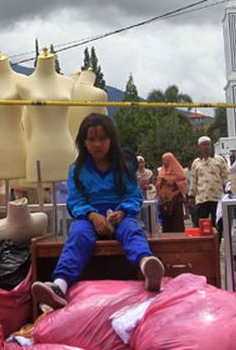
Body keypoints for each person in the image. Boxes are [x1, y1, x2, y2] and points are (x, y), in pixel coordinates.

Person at [31, 113, 165, 310]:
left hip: (119, 216)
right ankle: (60, 285)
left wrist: (122, 212)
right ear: (83, 142)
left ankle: (147, 265)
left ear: (111, 139)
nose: (97, 144)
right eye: (91, 139)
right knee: (78, 235)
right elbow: (75, 200)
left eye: (103, 138)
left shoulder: (124, 167)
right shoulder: (76, 170)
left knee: (132, 230)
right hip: (87, 218)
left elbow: (133, 196)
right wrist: (93, 216)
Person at [189, 136, 229, 235]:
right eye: (204, 145)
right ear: (200, 147)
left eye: (208, 144)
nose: (206, 147)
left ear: (211, 146)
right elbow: (193, 180)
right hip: (201, 198)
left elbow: (227, 176)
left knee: (217, 224)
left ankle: (216, 246)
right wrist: (191, 196)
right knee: (201, 224)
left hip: (216, 197)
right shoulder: (196, 163)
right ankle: (203, 246)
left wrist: (229, 191)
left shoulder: (219, 160)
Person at [155, 153, 187, 233]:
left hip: (175, 201)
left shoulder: (179, 171)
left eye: (165, 160)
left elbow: (184, 182)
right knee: (166, 224)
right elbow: (158, 184)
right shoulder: (161, 171)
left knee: (177, 223)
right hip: (164, 202)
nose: (164, 162)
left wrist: (173, 183)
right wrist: (161, 182)